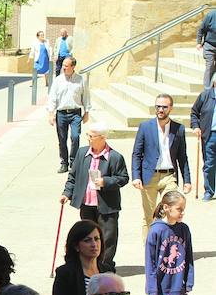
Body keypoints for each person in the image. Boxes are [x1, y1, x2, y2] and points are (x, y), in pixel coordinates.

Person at [61, 122, 129, 268]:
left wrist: (106, 181)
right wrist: (67, 193)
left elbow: (123, 178)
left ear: (103, 138)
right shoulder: (82, 153)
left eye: (92, 136)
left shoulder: (115, 157)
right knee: (87, 237)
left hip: (106, 205)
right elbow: (73, 176)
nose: (89, 139)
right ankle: (89, 265)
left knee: (107, 238)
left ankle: (105, 266)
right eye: (88, 135)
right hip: (86, 204)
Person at [131, 93, 191, 236]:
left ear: (171, 108)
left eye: (164, 107)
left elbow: (183, 157)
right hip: (149, 176)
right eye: (158, 106)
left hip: (169, 176)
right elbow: (136, 153)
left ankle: (169, 246)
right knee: (150, 216)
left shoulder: (179, 129)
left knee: (171, 211)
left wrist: (187, 180)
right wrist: (136, 176)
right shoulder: (145, 127)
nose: (160, 110)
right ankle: (150, 250)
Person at [48, 56, 91, 173]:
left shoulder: (81, 80)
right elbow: (52, 97)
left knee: (75, 136)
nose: (63, 68)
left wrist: (87, 112)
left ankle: (74, 162)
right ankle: (64, 163)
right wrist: (51, 113)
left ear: (73, 67)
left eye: (66, 66)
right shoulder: (58, 80)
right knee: (62, 139)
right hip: (61, 113)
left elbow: (86, 96)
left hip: (75, 113)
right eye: (63, 65)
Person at [190, 72, 216, 200]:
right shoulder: (205, 96)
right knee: (209, 164)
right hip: (209, 135)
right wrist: (196, 126)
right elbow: (194, 113)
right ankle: (209, 191)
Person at [198, 8, 216, 88]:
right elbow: (201, 29)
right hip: (209, 45)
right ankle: (207, 89)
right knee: (210, 65)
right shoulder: (211, 15)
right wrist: (199, 42)